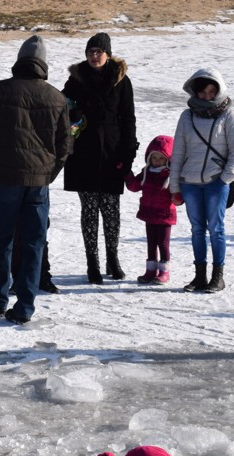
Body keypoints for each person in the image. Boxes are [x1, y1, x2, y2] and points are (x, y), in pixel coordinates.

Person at [0, 35, 70, 324]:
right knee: (34, 241)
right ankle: (24, 307)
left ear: (20, 61)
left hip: (5, 175)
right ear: (43, 64)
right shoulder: (56, 97)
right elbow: (64, 146)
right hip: (38, 181)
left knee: (4, 237)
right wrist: (49, 171)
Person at [62, 32, 138, 284]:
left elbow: (128, 119)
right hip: (83, 153)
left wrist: (128, 155)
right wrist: (75, 113)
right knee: (89, 211)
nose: (94, 56)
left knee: (111, 209)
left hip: (111, 153)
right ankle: (92, 262)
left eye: (98, 51)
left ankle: (112, 259)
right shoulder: (75, 79)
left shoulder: (121, 81)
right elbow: (62, 108)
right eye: (90, 51)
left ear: (108, 54)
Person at [170, 67, 234, 293]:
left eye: (211, 91)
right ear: (195, 92)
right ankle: (199, 276)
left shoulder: (228, 114)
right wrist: (175, 186)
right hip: (190, 182)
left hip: (216, 182)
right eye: (202, 92)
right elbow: (178, 152)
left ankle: (218, 277)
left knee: (216, 229)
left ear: (218, 90)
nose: (206, 96)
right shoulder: (187, 116)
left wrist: (225, 178)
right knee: (197, 229)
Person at [124, 135, 176, 284]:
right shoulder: (146, 172)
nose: (157, 161)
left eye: (161, 158)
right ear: (149, 158)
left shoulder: (170, 175)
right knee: (151, 242)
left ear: (168, 159)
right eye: (154, 158)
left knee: (163, 243)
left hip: (165, 215)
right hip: (149, 213)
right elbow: (134, 186)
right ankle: (151, 269)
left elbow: (177, 193)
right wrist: (127, 174)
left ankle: (164, 271)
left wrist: (179, 195)